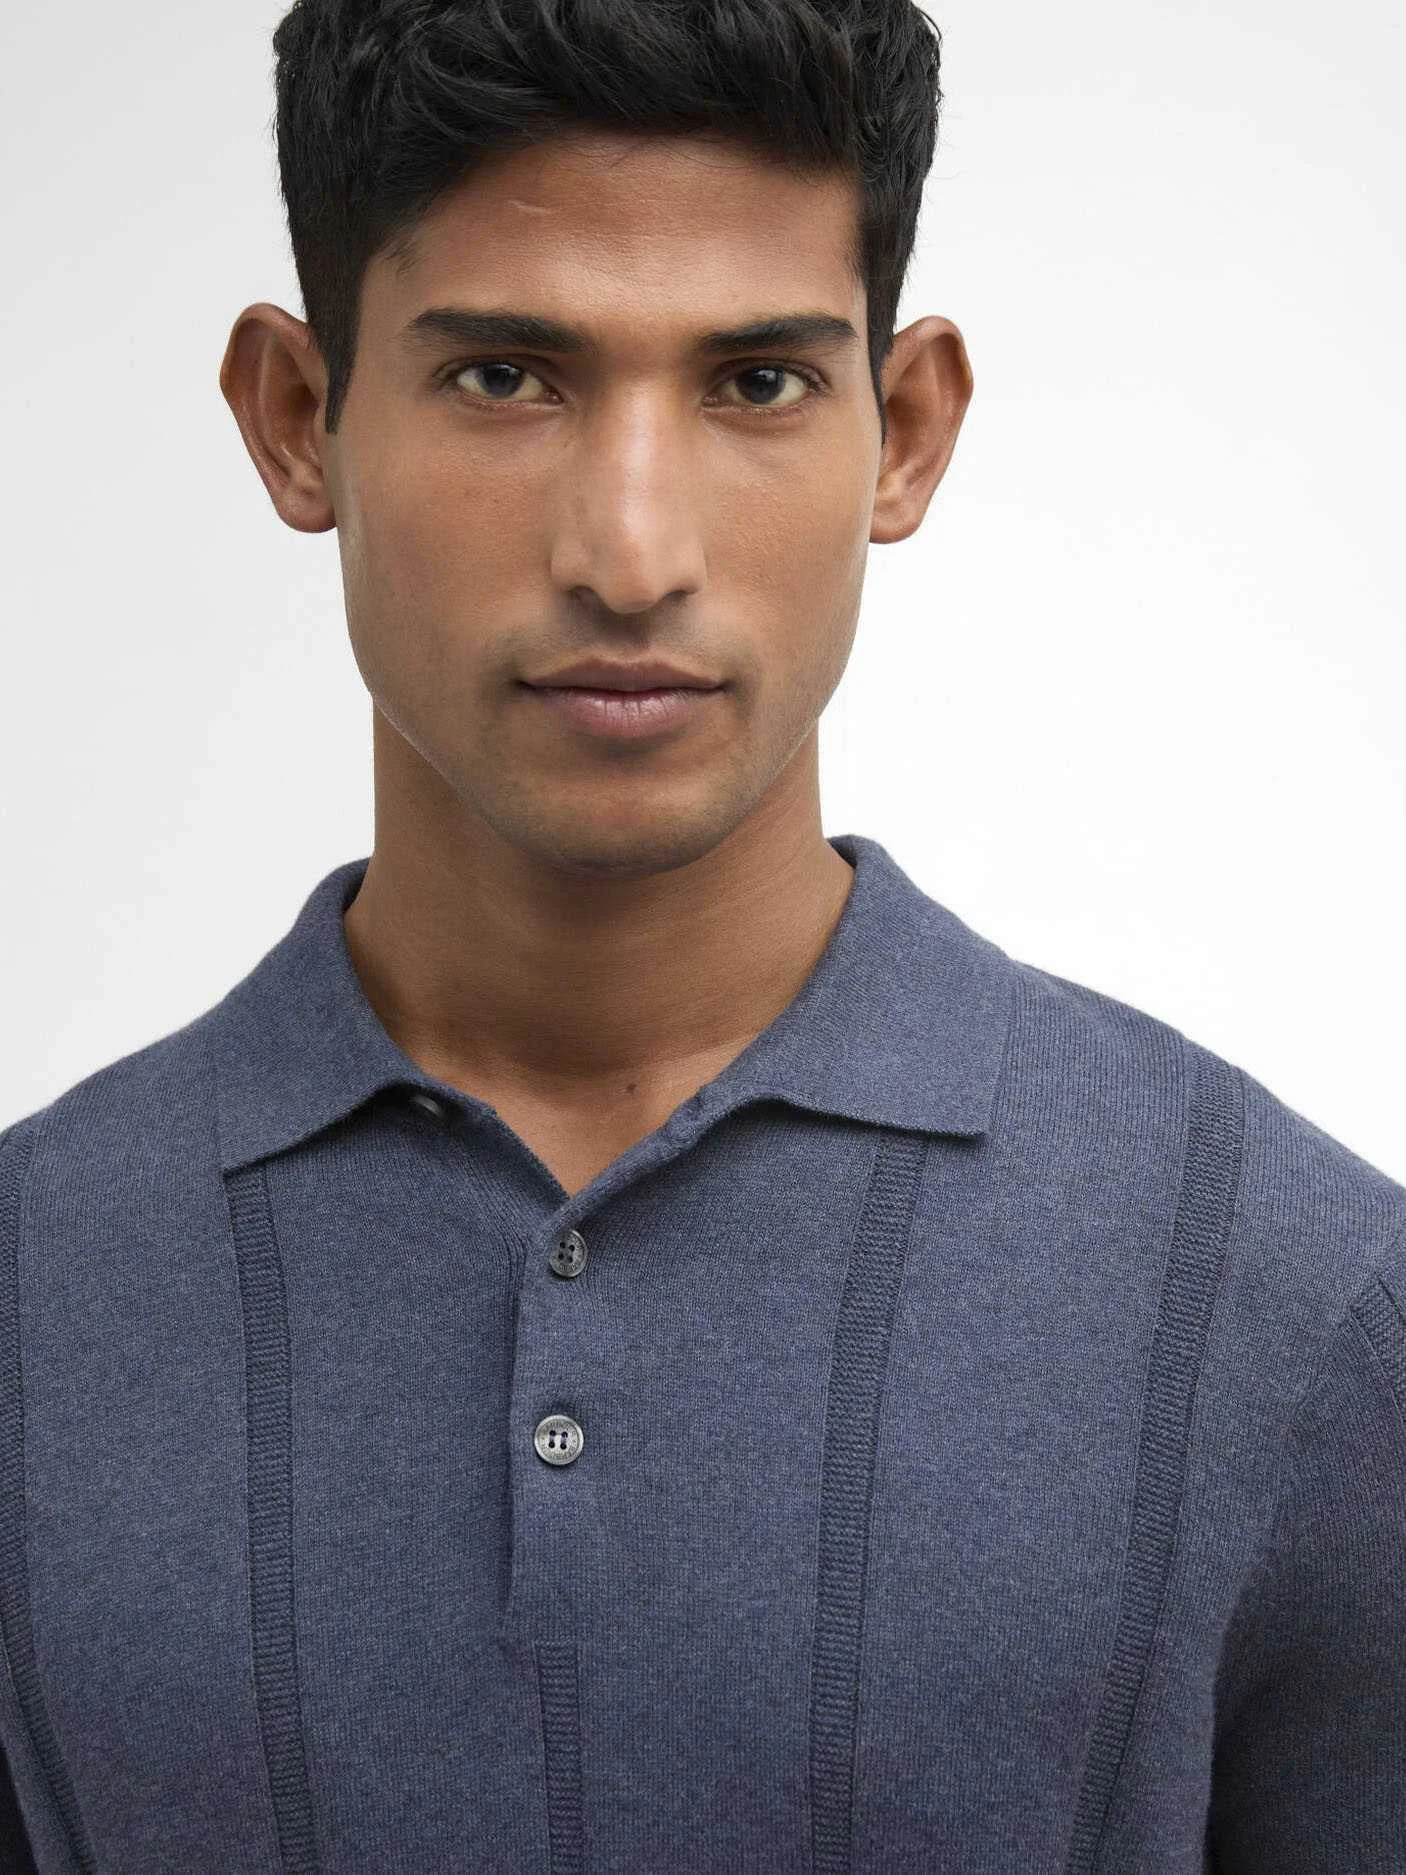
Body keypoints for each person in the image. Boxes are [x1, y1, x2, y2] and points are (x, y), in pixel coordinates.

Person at [2, 0, 1403, 1868]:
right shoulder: (32, 1291)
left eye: (754, 383)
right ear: (293, 418)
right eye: (505, 375)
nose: (631, 551)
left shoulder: (1296, 1300)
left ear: (905, 433)